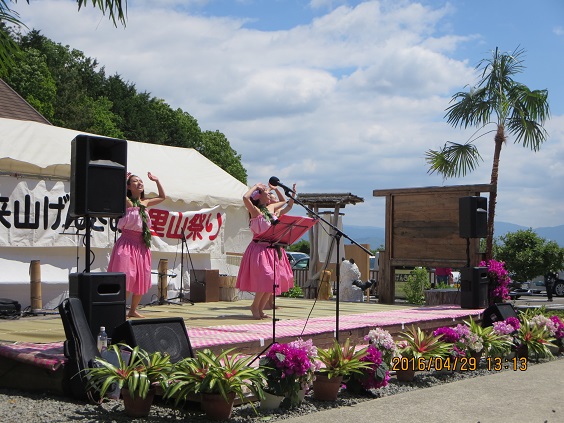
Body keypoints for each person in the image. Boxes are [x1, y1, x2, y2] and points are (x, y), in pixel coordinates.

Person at [108, 172, 166, 318]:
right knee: (128, 277)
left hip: (142, 244)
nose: (139, 183)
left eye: (141, 181)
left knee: (141, 277)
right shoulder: (127, 201)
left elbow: (162, 197)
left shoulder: (145, 203)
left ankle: (133, 310)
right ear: (128, 186)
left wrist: (157, 180)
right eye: (135, 181)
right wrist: (121, 179)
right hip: (127, 243)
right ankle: (117, 308)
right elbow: (116, 191)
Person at [236, 183, 295, 319]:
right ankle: (254, 306)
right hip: (259, 249)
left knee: (273, 281)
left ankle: (260, 309)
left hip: (271, 249)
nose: (269, 194)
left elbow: (284, 202)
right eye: (266, 193)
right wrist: (256, 187)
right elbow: (245, 198)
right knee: (267, 278)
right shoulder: (255, 211)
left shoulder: (271, 208)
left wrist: (276, 189)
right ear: (259, 197)